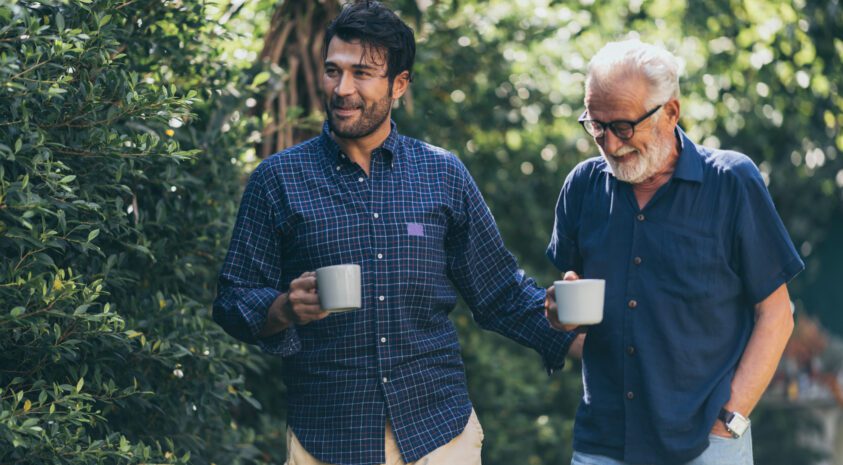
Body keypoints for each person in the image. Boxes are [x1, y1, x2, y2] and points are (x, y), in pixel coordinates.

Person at [213, 2, 576, 464]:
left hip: (439, 436)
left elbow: (499, 292)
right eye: (333, 71)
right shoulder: (278, 179)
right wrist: (284, 308)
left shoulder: (442, 174)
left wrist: (575, 337)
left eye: (362, 73)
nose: (342, 89)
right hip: (327, 440)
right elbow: (232, 299)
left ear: (399, 84)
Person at [544, 39, 804, 465]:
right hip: (603, 443)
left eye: (624, 127)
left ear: (670, 112)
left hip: (705, 444)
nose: (609, 144)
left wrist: (730, 421)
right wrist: (558, 316)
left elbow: (777, 315)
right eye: (596, 126)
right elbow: (576, 321)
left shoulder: (732, 182)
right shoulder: (582, 187)